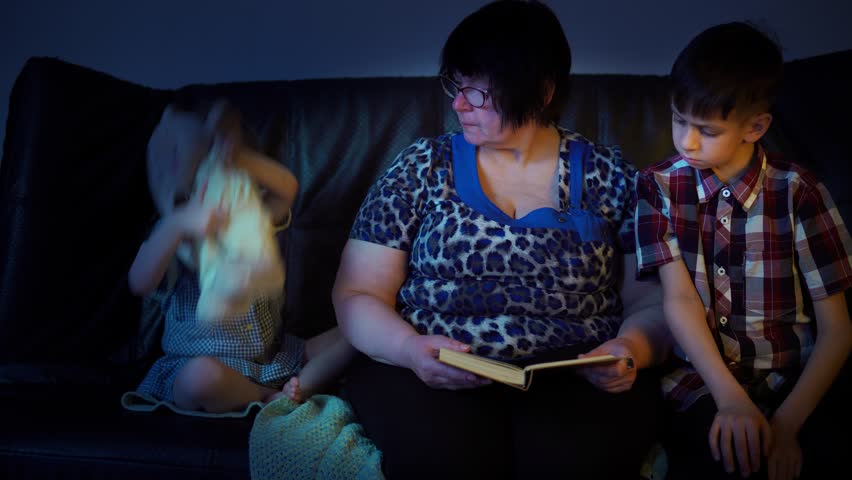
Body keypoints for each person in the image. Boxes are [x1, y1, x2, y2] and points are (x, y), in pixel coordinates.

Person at [332, 1, 671, 478]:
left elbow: (655, 303)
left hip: (572, 372)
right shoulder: (422, 167)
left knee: (573, 466)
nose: (458, 103)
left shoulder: (608, 174)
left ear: (541, 91)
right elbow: (357, 292)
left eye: (476, 90)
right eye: (455, 83)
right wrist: (409, 349)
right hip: (429, 364)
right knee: (449, 463)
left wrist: (632, 348)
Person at [635, 22, 852, 480]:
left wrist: (788, 424)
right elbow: (679, 301)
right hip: (701, 381)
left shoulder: (799, 192)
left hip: (792, 374)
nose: (686, 142)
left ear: (755, 127)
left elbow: (836, 329)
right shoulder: (658, 186)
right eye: (678, 121)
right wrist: (731, 399)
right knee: (726, 459)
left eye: (706, 130)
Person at [127, 102, 354, 413]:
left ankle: (303, 384)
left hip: (273, 356)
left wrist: (239, 158)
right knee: (199, 381)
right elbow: (139, 281)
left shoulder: (254, 217)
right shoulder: (175, 236)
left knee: (358, 330)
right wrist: (177, 225)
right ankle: (265, 395)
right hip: (202, 363)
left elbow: (287, 187)